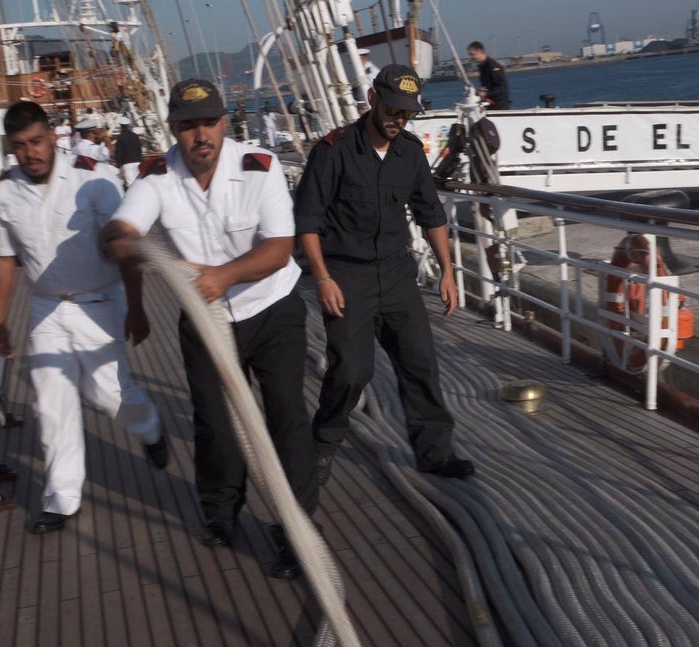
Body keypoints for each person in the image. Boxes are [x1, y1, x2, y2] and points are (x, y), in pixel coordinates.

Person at [100, 79, 318, 579]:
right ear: (174, 129)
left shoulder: (259, 168)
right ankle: (220, 514)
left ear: (225, 123)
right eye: (189, 125)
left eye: (210, 123)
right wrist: (118, 241)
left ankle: (294, 533)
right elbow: (122, 229)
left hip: (271, 309)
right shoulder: (156, 177)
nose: (201, 135)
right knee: (214, 425)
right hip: (205, 318)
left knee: (286, 419)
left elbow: (280, 249)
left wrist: (222, 275)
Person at [0, 101, 167, 535]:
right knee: (51, 403)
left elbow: (124, 246)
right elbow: (3, 258)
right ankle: (61, 499)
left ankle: (149, 425)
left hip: (99, 301)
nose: (29, 153)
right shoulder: (2, 191)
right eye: (19, 147)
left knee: (108, 393)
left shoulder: (93, 177)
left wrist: (138, 309)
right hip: (46, 305)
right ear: (11, 149)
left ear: (52, 136)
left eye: (35, 141)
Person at [294, 64, 476, 486]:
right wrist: (322, 278)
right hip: (346, 275)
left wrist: (448, 272)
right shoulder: (333, 150)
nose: (399, 119)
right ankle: (320, 448)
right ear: (373, 99)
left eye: (407, 113)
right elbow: (307, 221)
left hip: (396, 275)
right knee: (351, 370)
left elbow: (431, 214)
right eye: (393, 108)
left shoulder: (410, 152)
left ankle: (434, 453)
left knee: (420, 364)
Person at [467, 41, 510, 110]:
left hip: (499, 107)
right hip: (489, 105)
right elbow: (487, 87)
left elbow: (501, 88)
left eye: (472, 54)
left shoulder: (493, 66)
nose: (471, 57)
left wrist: (486, 94)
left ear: (479, 51)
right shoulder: (482, 67)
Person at [113, 115, 143, 186]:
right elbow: (139, 149)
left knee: (131, 185)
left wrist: (119, 165)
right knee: (139, 182)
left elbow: (119, 152)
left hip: (127, 163)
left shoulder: (120, 137)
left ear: (121, 126)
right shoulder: (135, 136)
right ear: (128, 126)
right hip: (138, 161)